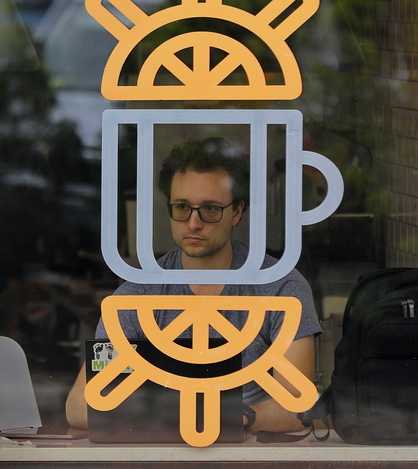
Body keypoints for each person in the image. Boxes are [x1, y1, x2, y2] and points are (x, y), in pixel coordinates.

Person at [65, 137, 320, 433]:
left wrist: (231, 418)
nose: (194, 223)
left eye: (210, 209)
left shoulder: (281, 287)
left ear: (237, 212)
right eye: (182, 207)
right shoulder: (137, 294)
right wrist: (181, 418)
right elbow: (81, 405)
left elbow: (299, 406)